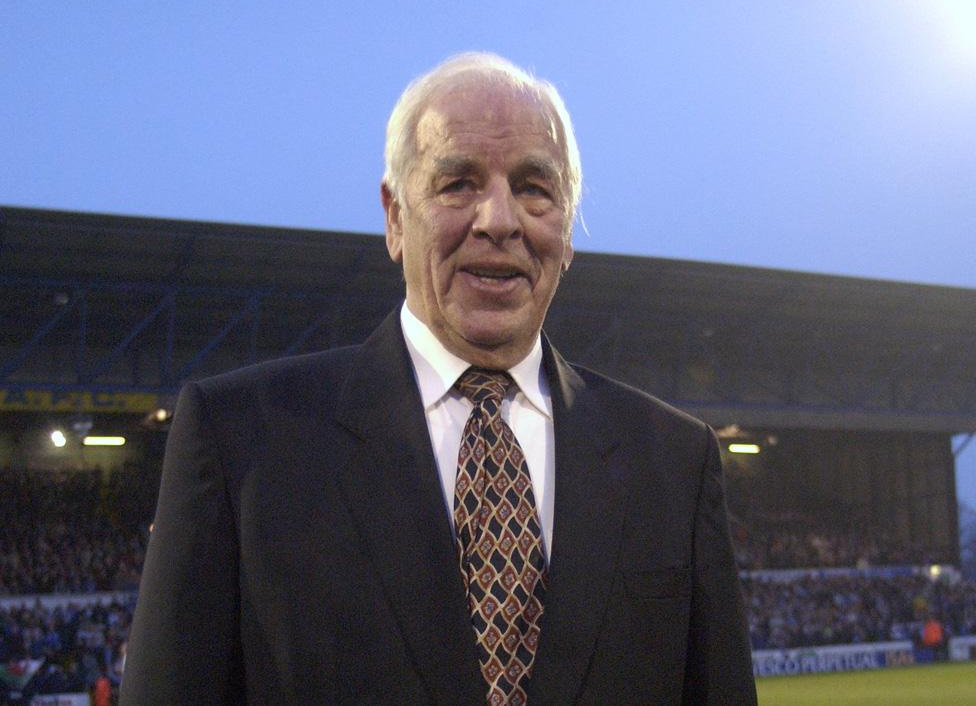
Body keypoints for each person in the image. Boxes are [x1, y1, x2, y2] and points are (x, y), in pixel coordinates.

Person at [121, 52, 756, 705]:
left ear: (567, 229)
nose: (500, 220)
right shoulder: (242, 443)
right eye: (459, 183)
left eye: (535, 187)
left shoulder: (676, 462)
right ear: (395, 217)